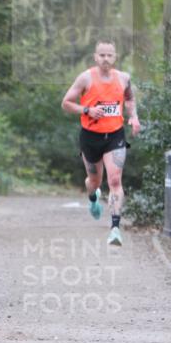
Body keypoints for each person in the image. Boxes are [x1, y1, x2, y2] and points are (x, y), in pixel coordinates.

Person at [61, 40, 141, 246]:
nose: (106, 59)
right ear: (96, 57)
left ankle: (115, 228)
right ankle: (93, 197)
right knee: (94, 182)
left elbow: (130, 98)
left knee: (115, 182)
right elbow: (66, 103)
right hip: (90, 137)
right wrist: (86, 110)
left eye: (110, 55)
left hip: (115, 136)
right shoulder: (85, 78)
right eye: (102, 55)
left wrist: (133, 117)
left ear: (115, 58)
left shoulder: (124, 78)